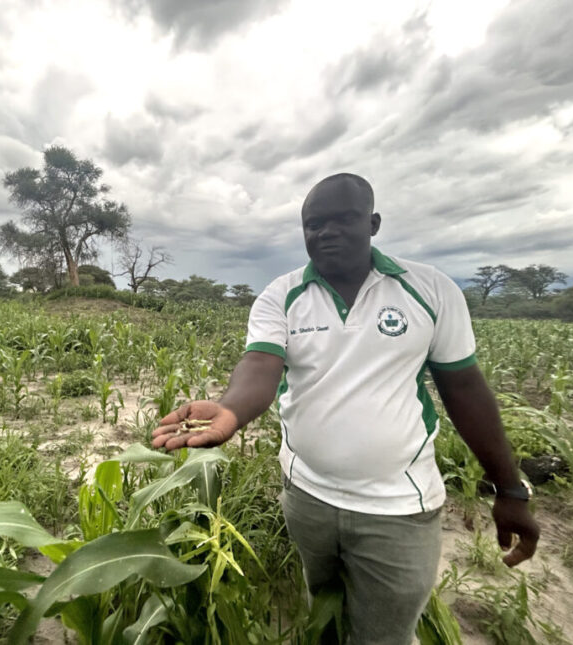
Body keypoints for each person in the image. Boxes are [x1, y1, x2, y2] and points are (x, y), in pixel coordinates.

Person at [152, 173, 540, 644]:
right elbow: (260, 364)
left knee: (385, 634)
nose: (326, 232)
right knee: (323, 614)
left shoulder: (431, 290)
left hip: (399, 506)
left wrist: (510, 487)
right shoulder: (283, 294)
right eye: (314, 224)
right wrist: (230, 411)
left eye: (342, 219)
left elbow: (464, 389)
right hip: (307, 497)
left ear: (373, 223)